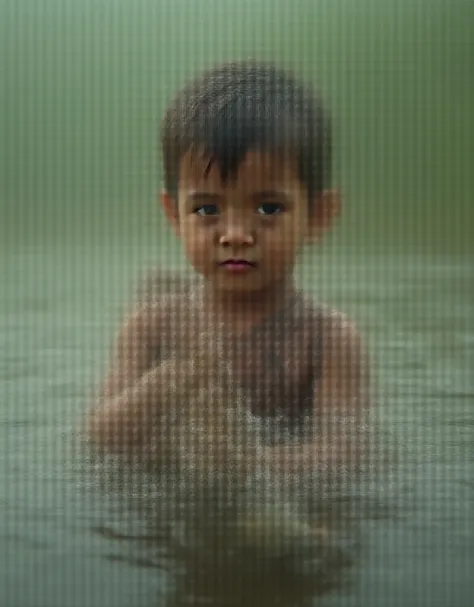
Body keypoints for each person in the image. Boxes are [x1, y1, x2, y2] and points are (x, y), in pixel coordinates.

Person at [85, 59, 370, 501]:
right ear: (173, 215)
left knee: (317, 540)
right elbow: (99, 439)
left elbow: (346, 455)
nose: (235, 234)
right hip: (176, 504)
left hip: (276, 501)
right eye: (207, 209)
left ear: (319, 215)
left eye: (269, 208)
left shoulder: (328, 338)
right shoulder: (153, 328)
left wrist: (248, 465)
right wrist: (171, 382)